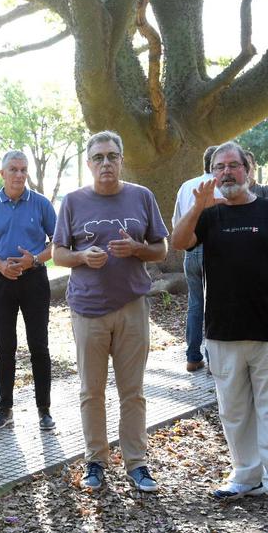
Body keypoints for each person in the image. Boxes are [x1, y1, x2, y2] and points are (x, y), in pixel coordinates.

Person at [171, 142, 268, 515]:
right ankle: (247, 476)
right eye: (220, 166)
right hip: (222, 333)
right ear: (211, 173)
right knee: (233, 412)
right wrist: (199, 205)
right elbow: (178, 243)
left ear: (249, 170)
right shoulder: (208, 216)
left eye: (235, 165)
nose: (228, 172)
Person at [52, 131, 169, 493]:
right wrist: (82, 257)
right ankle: (96, 461)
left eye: (112, 156)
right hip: (88, 310)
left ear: (121, 160)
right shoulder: (72, 201)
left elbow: (161, 249)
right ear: (88, 164)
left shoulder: (141, 197)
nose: (106, 163)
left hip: (132, 306)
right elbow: (58, 254)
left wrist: (136, 248)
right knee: (92, 390)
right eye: (99, 157)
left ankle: (137, 463)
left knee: (132, 390)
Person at [0, 151, 58, 432]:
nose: (19, 175)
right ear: (2, 173)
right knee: (5, 348)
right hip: (0, 283)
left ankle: (44, 410)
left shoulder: (40, 204)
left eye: (23, 170)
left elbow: (58, 243)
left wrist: (34, 259)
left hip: (34, 280)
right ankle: (5, 409)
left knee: (39, 345)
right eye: (13, 169)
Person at [172, 145, 219, 373]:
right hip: (214, 250)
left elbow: (176, 222)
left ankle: (192, 357)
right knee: (215, 304)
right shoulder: (222, 185)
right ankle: (213, 360)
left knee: (195, 303)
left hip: (190, 251)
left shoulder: (185, 186)